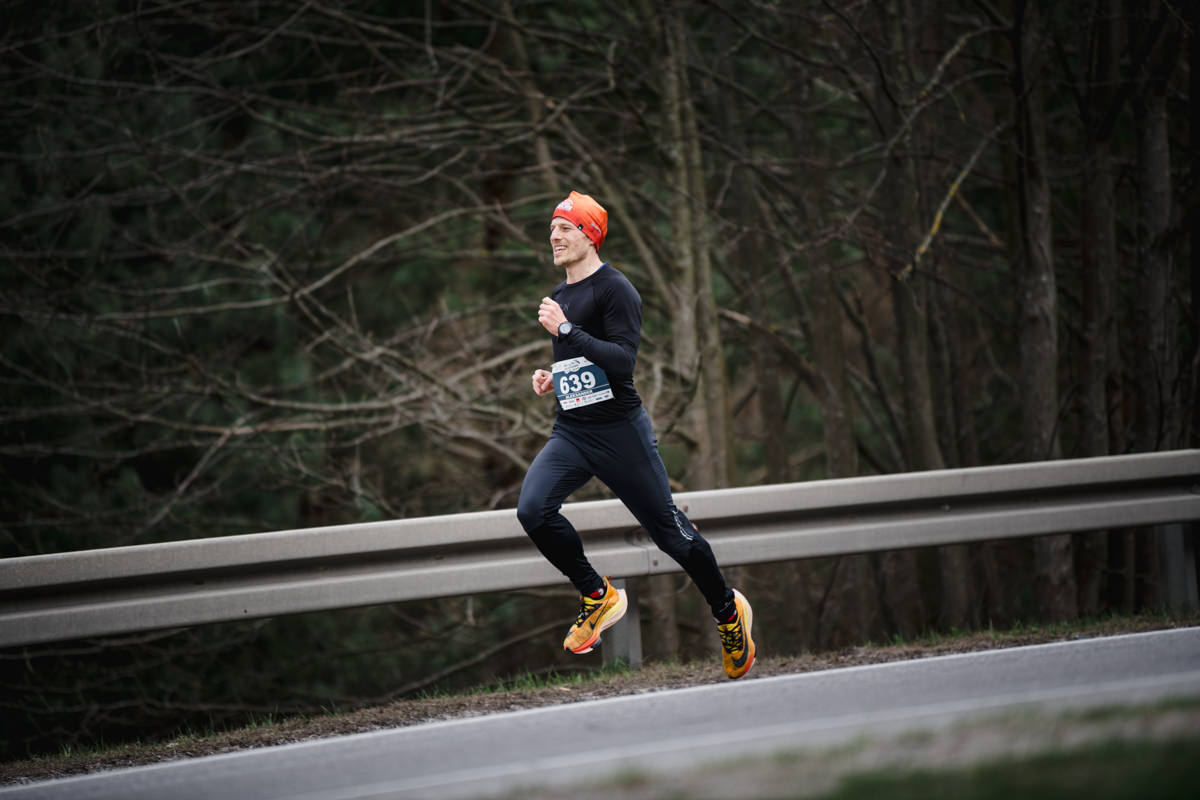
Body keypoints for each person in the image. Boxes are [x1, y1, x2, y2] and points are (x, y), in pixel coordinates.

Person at [516, 190, 756, 680]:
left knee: (672, 536)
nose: (553, 236)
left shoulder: (615, 289)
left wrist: (565, 332)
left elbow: (623, 361)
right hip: (572, 431)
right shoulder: (562, 295)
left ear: (590, 235)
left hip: (620, 434)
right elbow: (587, 362)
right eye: (552, 228)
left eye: (564, 228)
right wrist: (554, 376)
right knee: (532, 510)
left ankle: (728, 613)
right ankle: (597, 594)